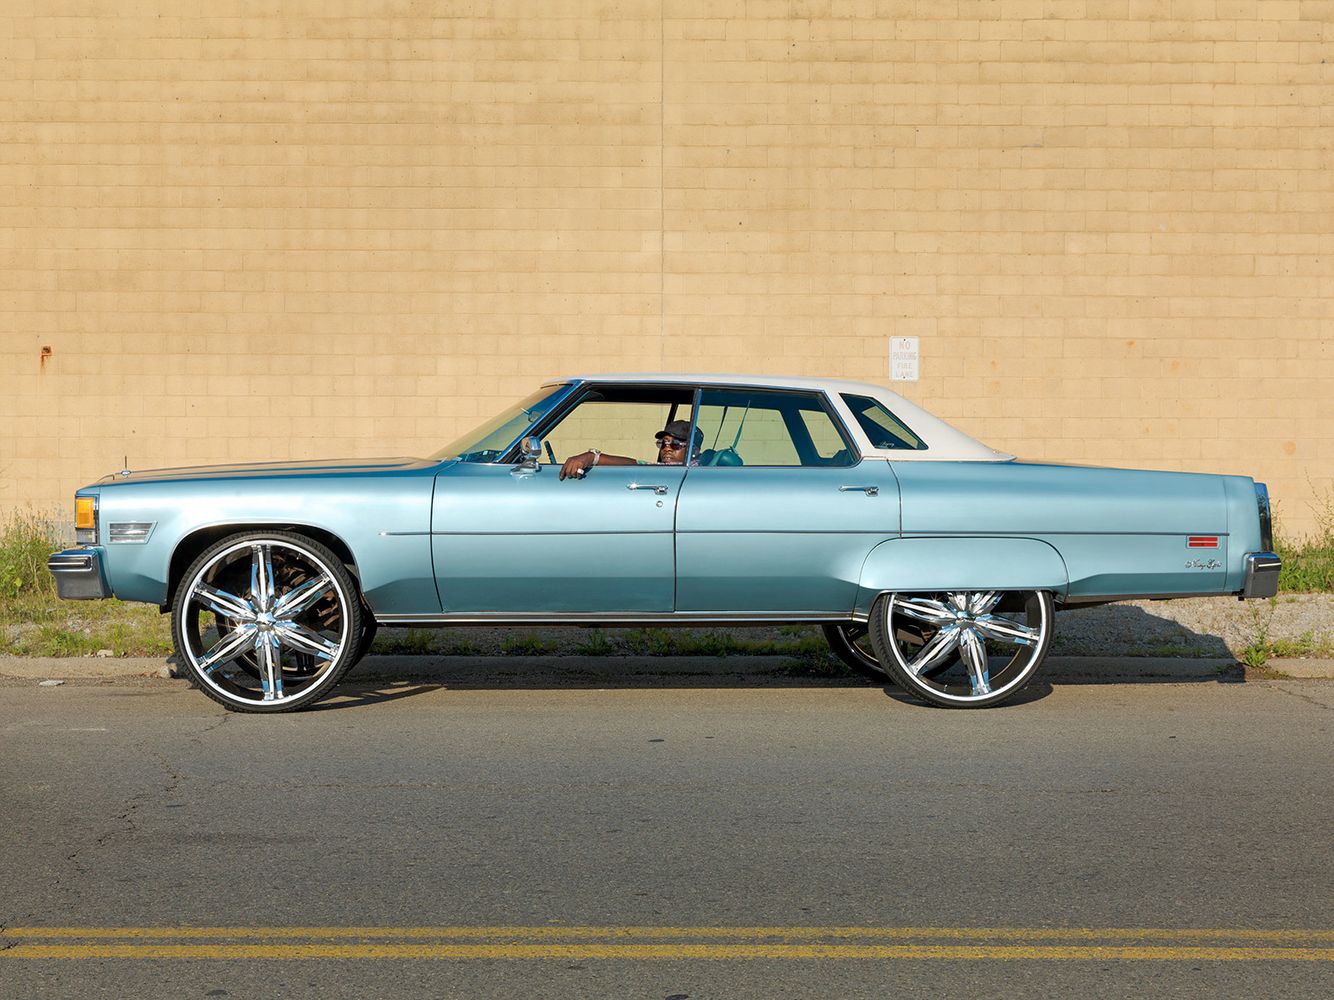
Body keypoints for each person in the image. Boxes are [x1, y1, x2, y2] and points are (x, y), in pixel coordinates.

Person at [559, 419, 703, 480]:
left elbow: (639, 465)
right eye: (663, 443)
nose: (667, 449)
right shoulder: (672, 469)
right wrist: (592, 456)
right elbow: (637, 463)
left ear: (694, 451)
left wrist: (592, 457)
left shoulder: (693, 473)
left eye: (675, 444)